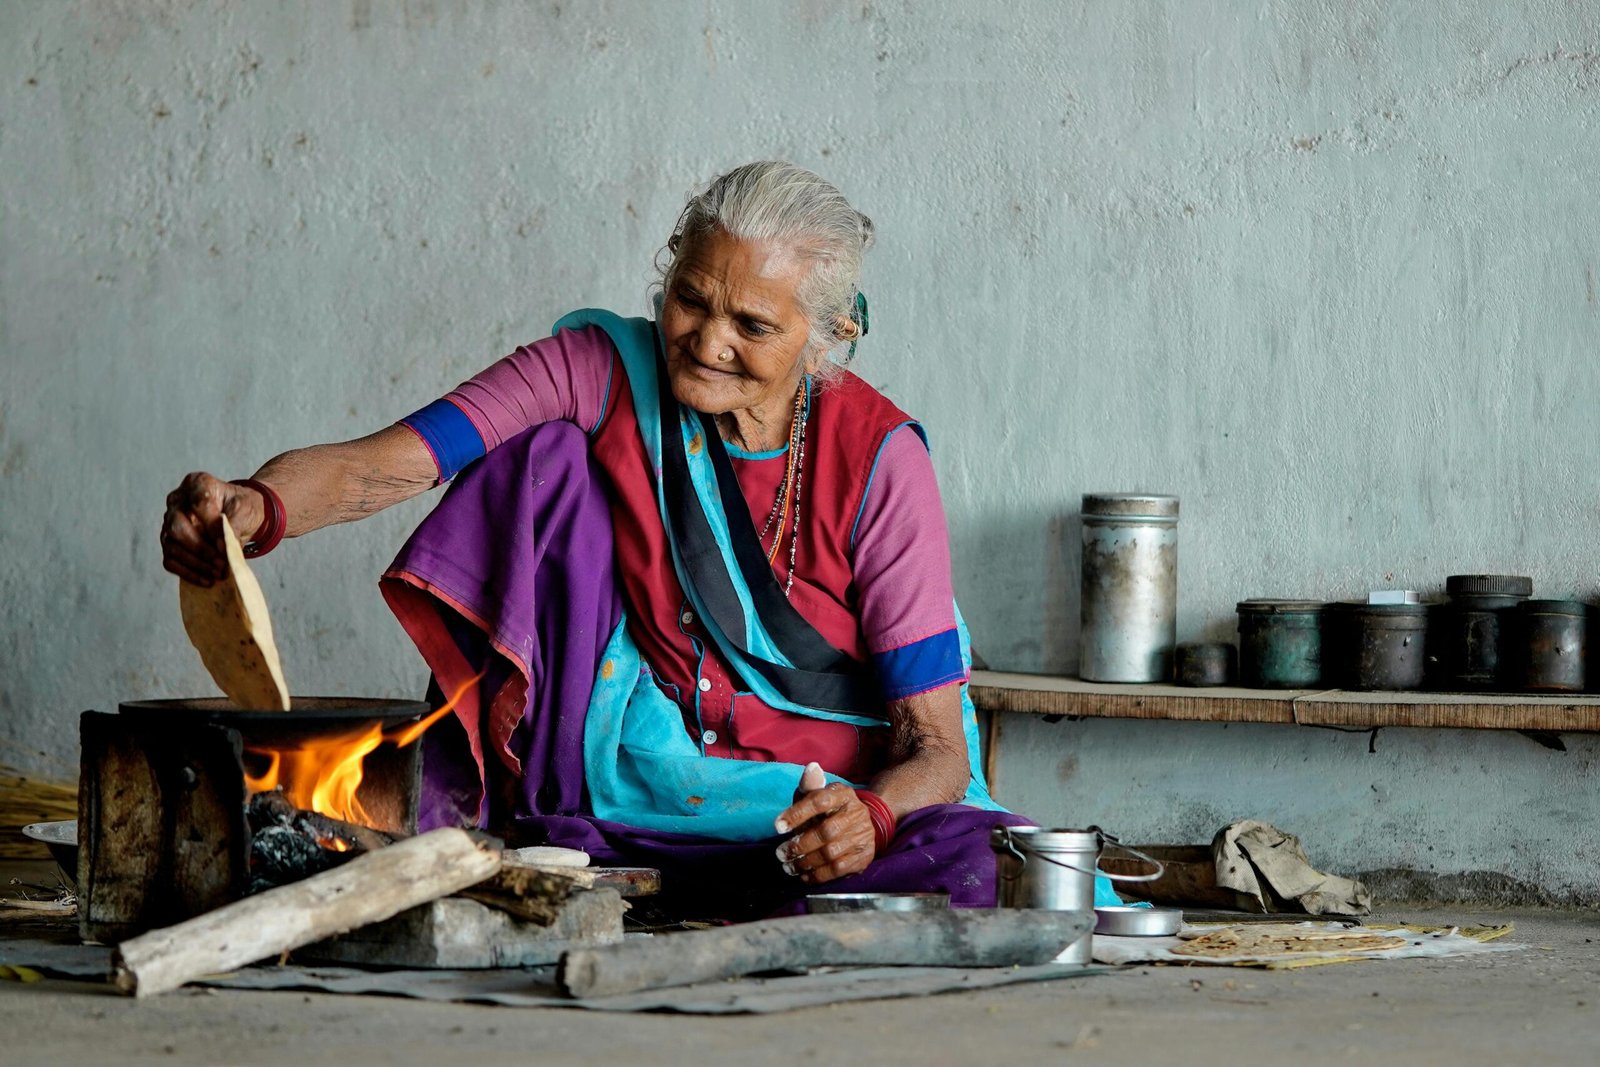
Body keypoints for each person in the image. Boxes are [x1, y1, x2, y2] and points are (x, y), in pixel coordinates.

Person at [163, 161, 1106, 917]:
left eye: (754, 324)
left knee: (992, 875)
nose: (706, 340)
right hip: (628, 771)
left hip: (818, 798)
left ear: (826, 341)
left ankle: (677, 878)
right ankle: (563, 839)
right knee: (543, 462)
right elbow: (391, 462)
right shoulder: (600, 367)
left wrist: (868, 814)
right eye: (692, 299)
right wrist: (253, 508)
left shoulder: (880, 461)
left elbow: (936, 747)